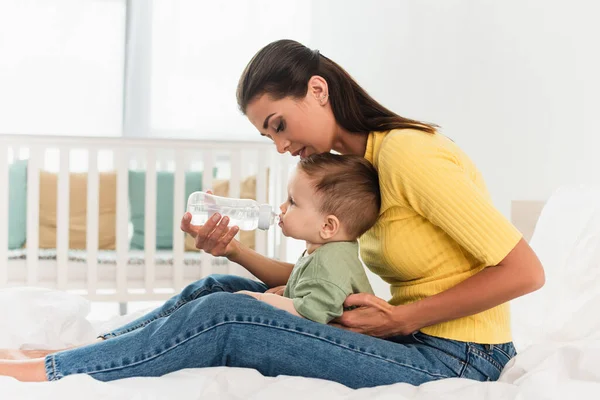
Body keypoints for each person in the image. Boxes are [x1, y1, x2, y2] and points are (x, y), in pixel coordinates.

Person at [0, 39, 545, 388]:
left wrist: (403, 318)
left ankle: (51, 372)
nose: (280, 146)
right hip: (417, 337)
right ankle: (81, 355)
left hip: (462, 356)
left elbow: (525, 272)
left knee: (227, 318)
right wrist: (235, 250)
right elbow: (317, 286)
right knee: (217, 285)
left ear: (317, 90)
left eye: (279, 124)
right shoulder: (360, 169)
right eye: (268, 135)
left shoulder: (408, 156)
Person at [235, 152, 378, 324]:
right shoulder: (325, 250)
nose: (282, 207)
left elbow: (311, 314)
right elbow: (315, 290)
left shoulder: (329, 262)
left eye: (292, 202)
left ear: (327, 227)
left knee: (236, 305)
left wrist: (258, 300)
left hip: (347, 345)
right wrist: (290, 292)